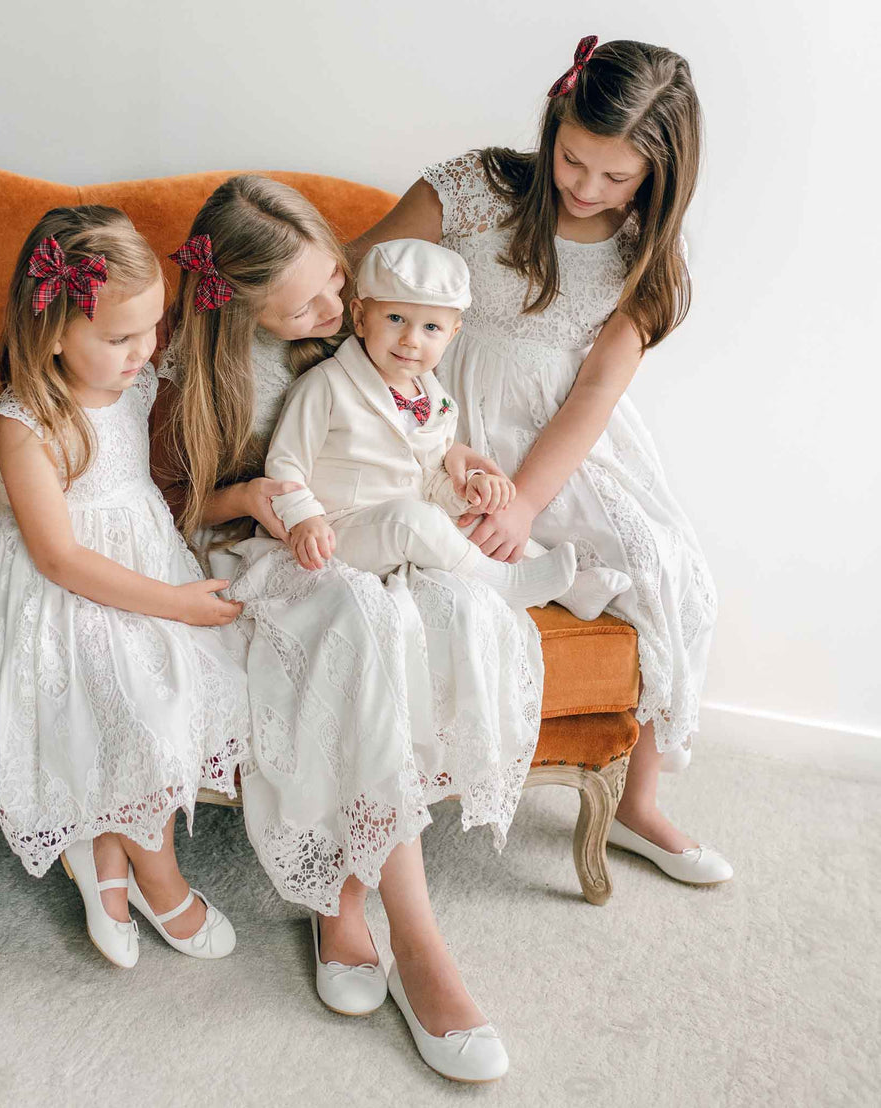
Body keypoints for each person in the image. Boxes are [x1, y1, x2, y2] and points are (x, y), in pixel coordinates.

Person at [155, 176, 530, 1081]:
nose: (339, 305)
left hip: (365, 538)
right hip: (265, 556)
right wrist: (256, 498)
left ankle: (347, 891)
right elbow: (170, 509)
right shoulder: (195, 374)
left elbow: (424, 446)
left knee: (456, 608)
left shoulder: (365, 342)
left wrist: (460, 466)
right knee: (359, 619)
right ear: (243, 304)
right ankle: (418, 940)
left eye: (337, 280)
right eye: (311, 301)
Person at [349, 36, 731, 883]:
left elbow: (595, 393)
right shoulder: (475, 188)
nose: (587, 188)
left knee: (673, 570)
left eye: (615, 177)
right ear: (554, 123)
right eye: (572, 160)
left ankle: (638, 804)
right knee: (441, 575)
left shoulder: (648, 260)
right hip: (441, 415)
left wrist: (524, 500)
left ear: (658, 179)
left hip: (561, 438)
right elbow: (356, 279)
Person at [0, 205, 249, 969]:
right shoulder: (25, 421)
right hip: (58, 579)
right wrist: (175, 601)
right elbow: (59, 558)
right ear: (50, 332)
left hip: (142, 555)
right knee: (130, 692)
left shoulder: (135, 382)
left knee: (190, 680)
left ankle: (101, 850)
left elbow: (214, 338)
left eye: (153, 330)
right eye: (120, 338)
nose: (143, 352)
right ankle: (156, 873)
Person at [268, 236, 631, 622]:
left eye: (430, 328)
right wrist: (304, 518)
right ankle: (504, 583)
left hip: (410, 523)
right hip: (335, 532)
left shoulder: (436, 398)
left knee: (475, 519)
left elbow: (430, 474)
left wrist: (466, 491)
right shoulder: (326, 385)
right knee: (415, 520)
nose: (411, 339)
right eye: (395, 319)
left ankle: (572, 588)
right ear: (359, 317)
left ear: (452, 334)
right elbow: (285, 466)